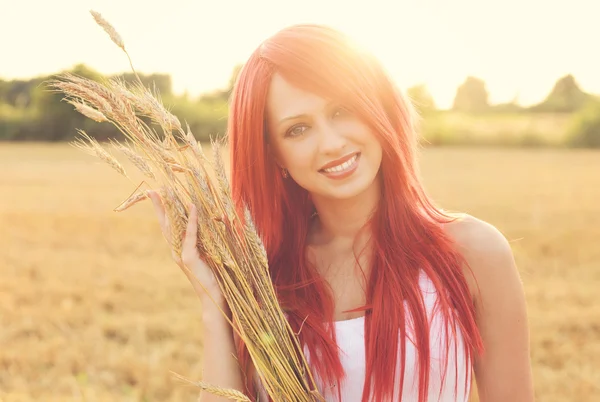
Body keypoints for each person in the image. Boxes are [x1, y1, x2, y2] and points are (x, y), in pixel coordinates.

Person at [148, 24, 534, 402]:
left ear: (377, 107)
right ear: (274, 155)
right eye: (298, 130)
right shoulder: (263, 275)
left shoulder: (473, 253)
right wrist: (215, 304)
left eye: (342, 110)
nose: (331, 144)